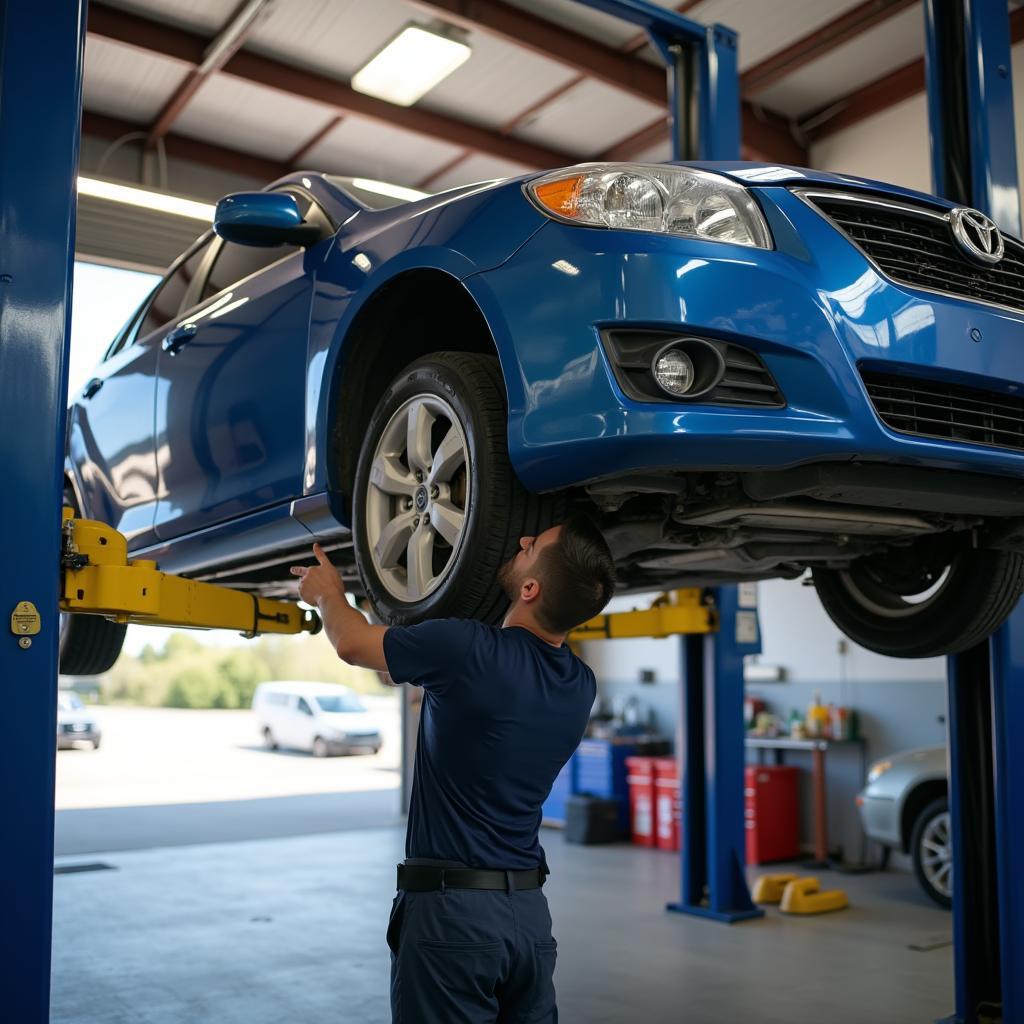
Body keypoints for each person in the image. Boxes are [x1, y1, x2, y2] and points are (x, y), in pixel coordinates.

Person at [291, 514, 616, 1023]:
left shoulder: (468, 651)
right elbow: (404, 667)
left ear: (529, 588)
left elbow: (354, 645)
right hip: (529, 919)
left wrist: (329, 594)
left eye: (532, 547)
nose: (523, 537)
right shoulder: (579, 685)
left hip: (453, 918)